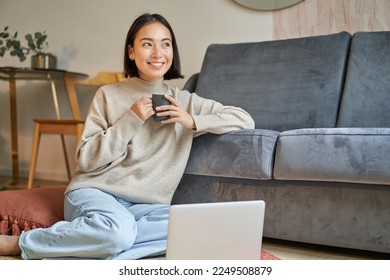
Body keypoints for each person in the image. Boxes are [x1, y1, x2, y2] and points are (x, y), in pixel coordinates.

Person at [0, 13, 254, 259]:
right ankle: (22, 243)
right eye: (147, 44)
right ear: (131, 52)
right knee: (118, 231)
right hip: (96, 192)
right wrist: (131, 119)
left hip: (147, 208)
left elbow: (244, 119)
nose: (157, 53)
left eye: (165, 44)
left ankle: (101, 248)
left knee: (197, 228)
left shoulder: (185, 102)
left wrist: (192, 120)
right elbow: (86, 160)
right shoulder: (108, 95)